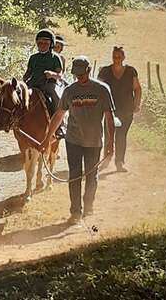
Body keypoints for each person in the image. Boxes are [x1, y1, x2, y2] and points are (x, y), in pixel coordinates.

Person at [39, 56, 115, 224]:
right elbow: (59, 115)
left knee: (91, 175)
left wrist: (111, 143)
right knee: (74, 175)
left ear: (89, 70)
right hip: (73, 140)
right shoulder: (69, 91)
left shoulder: (102, 90)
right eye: (76, 75)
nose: (79, 78)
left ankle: (88, 207)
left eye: (82, 74)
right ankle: (75, 212)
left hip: (94, 141)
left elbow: (109, 118)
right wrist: (47, 139)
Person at [97, 46, 142, 172]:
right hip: (109, 108)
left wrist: (137, 104)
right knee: (108, 133)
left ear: (123, 57)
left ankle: (119, 162)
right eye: (114, 56)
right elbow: (97, 87)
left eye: (119, 56)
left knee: (121, 135)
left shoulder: (131, 71)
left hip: (126, 108)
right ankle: (106, 158)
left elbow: (137, 89)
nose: (116, 59)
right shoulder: (105, 71)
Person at [22, 29, 63, 117]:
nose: (42, 45)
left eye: (46, 43)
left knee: (56, 97)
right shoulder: (33, 58)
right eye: (40, 43)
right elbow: (28, 72)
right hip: (33, 83)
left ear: (51, 44)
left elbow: (60, 75)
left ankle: (59, 122)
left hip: (49, 84)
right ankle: (15, 119)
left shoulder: (55, 57)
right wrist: (23, 80)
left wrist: (52, 74)